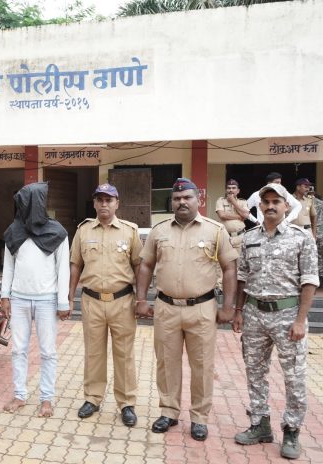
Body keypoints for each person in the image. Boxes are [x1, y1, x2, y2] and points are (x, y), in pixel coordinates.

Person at [135, 178, 238, 441]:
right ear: (172, 202)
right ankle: (168, 412)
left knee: (202, 365)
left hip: (201, 309)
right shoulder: (159, 231)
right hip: (166, 308)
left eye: (187, 197)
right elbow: (145, 265)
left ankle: (199, 418)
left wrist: (228, 306)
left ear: (198, 200)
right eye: (177, 198)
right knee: (166, 363)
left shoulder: (215, 230)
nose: (182, 202)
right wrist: (141, 299)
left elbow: (230, 268)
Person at [232, 183, 318, 460]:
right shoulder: (249, 238)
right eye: (266, 202)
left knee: (294, 377)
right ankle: (260, 424)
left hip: (288, 316)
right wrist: (238, 311)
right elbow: (242, 277)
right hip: (255, 315)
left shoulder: (301, 238)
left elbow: (309, 281)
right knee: (255, 372)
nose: (270, 206)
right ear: (259, 206)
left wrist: (301, 320)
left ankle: (291, 430)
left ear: (286, 206)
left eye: (275, 202)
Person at [68, 183, 141, 426]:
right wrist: (69, 297)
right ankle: (92, 398)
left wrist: (141, 299)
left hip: (122, 302)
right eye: (99, 199)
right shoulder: (83, 231)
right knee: (94, 353)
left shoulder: (130, 231)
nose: (104, 204)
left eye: (108, 200)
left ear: (117, 203)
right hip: (92, 301)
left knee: (124, 354)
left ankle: (127, 403)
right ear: (94, 203)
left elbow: (139, 266)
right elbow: (75, 265)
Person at [0, 182, 70, 418]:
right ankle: (20, 395)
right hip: (19, 299)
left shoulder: (57, 233)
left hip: (46, 301)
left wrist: (63, 302)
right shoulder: (14, 231)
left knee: (48, 351)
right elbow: (8, 266)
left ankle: (46, 399)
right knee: (18, 350)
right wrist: (5, 295)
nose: (24, 206)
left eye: (27, 202)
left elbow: (63, 270)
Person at [215, 178, 250, 252]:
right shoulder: (221, 201)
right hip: (224, 237)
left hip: (240, 237)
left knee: (240, 259)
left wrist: (233, 202)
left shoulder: (243, 201)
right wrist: (239, 217)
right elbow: (222, 215)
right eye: (229, 188)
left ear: (238, 191)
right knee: (225, 258)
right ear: (226, 190)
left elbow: (246, 215)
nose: (231, 190)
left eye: (233, 188)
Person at [311, 191, 323, 281]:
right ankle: (319, 277)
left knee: (307, 255)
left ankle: (310, 277)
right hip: (320, 233)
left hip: (309, 231)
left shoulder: (307, 202)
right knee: (319, 255)